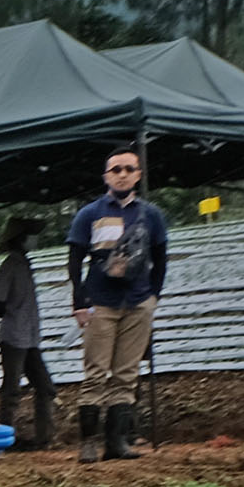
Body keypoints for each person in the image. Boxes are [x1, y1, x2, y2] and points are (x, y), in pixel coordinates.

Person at [66, 147, 169, 460]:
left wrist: (153, 297)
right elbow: (74, 259)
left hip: (137, 302)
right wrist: (79, 300)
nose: (122, 175)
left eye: (128, 169)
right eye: (116, 170)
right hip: (101, 302)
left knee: (126, 373)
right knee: (96, 372)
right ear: (106, 176)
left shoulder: (151, 214)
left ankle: (117, 443)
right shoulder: (90, 214)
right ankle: (88, 443)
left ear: (138, 174)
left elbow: (161, 257)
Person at [0, 217, 58, 449]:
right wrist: (15, 315)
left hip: (29, 337)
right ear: (21, 239)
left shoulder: (24, 264)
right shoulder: (9, 265)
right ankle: (5, 439)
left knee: (45, 387)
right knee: (12, 391)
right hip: (14, 337)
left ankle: (43, 439)